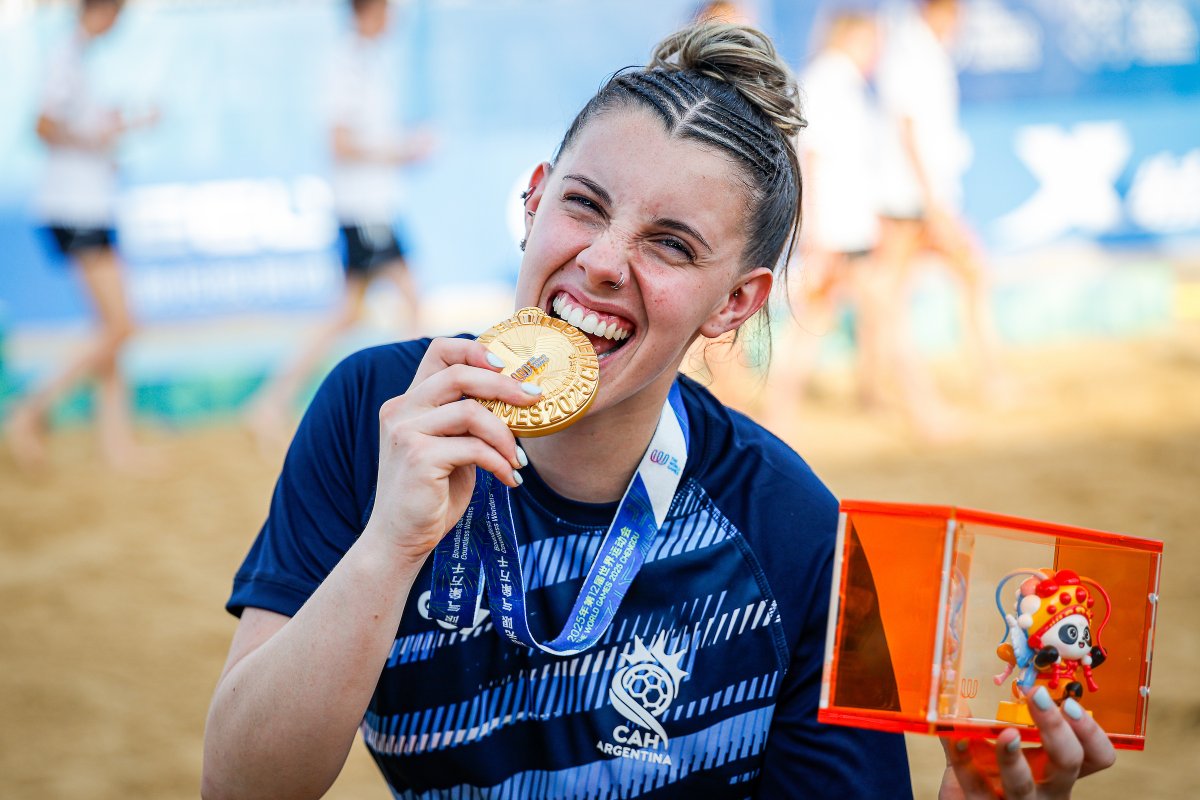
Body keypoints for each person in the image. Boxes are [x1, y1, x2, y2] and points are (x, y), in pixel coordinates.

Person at [202, 22, 1115, 800]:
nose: (603, 260)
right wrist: (390, 547)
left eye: (670, 245)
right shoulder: (380, 413)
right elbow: (240, 784)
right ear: (531, 200)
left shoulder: (803, 533)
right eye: (583, 205)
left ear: (736, 304)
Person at [245, 0, 435, 451]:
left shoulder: (365, 60)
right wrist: (401, 151)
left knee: (350, 313)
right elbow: (340, 143)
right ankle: (412, 407)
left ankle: (270, 401)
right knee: (407, 300)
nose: (395, 15)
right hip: (363, 209)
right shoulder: (347, 62)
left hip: (372, 207)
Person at [4, 0, 159, 474]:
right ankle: (30, 409)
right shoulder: (66, 56)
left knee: (112, 327)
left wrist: (102, 140)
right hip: (76, 208)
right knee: (121, 326)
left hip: (86, 203)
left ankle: (117, 444)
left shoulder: (76, 57)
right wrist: (97, 139)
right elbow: (44, 126)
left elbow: (65, 127)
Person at [873, 0, 1007, 440]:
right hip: (912, 201)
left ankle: (985, 382)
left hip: (924, 198)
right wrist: (933, 203)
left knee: (966, 277)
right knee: (892, 304)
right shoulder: (910, 51)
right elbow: (907, 128)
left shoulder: (924, 49)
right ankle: (923, 408)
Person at [763, 10, 887, 432]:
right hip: (836, 228)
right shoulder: (830, 81)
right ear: (853, 38)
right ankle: (781, 410)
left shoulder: (844, 82)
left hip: (849, 224)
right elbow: (810, 156)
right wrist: (814, 229)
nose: (877, 53)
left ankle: (873, 394)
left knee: (872, 311)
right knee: (814, 320)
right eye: (873, 42)